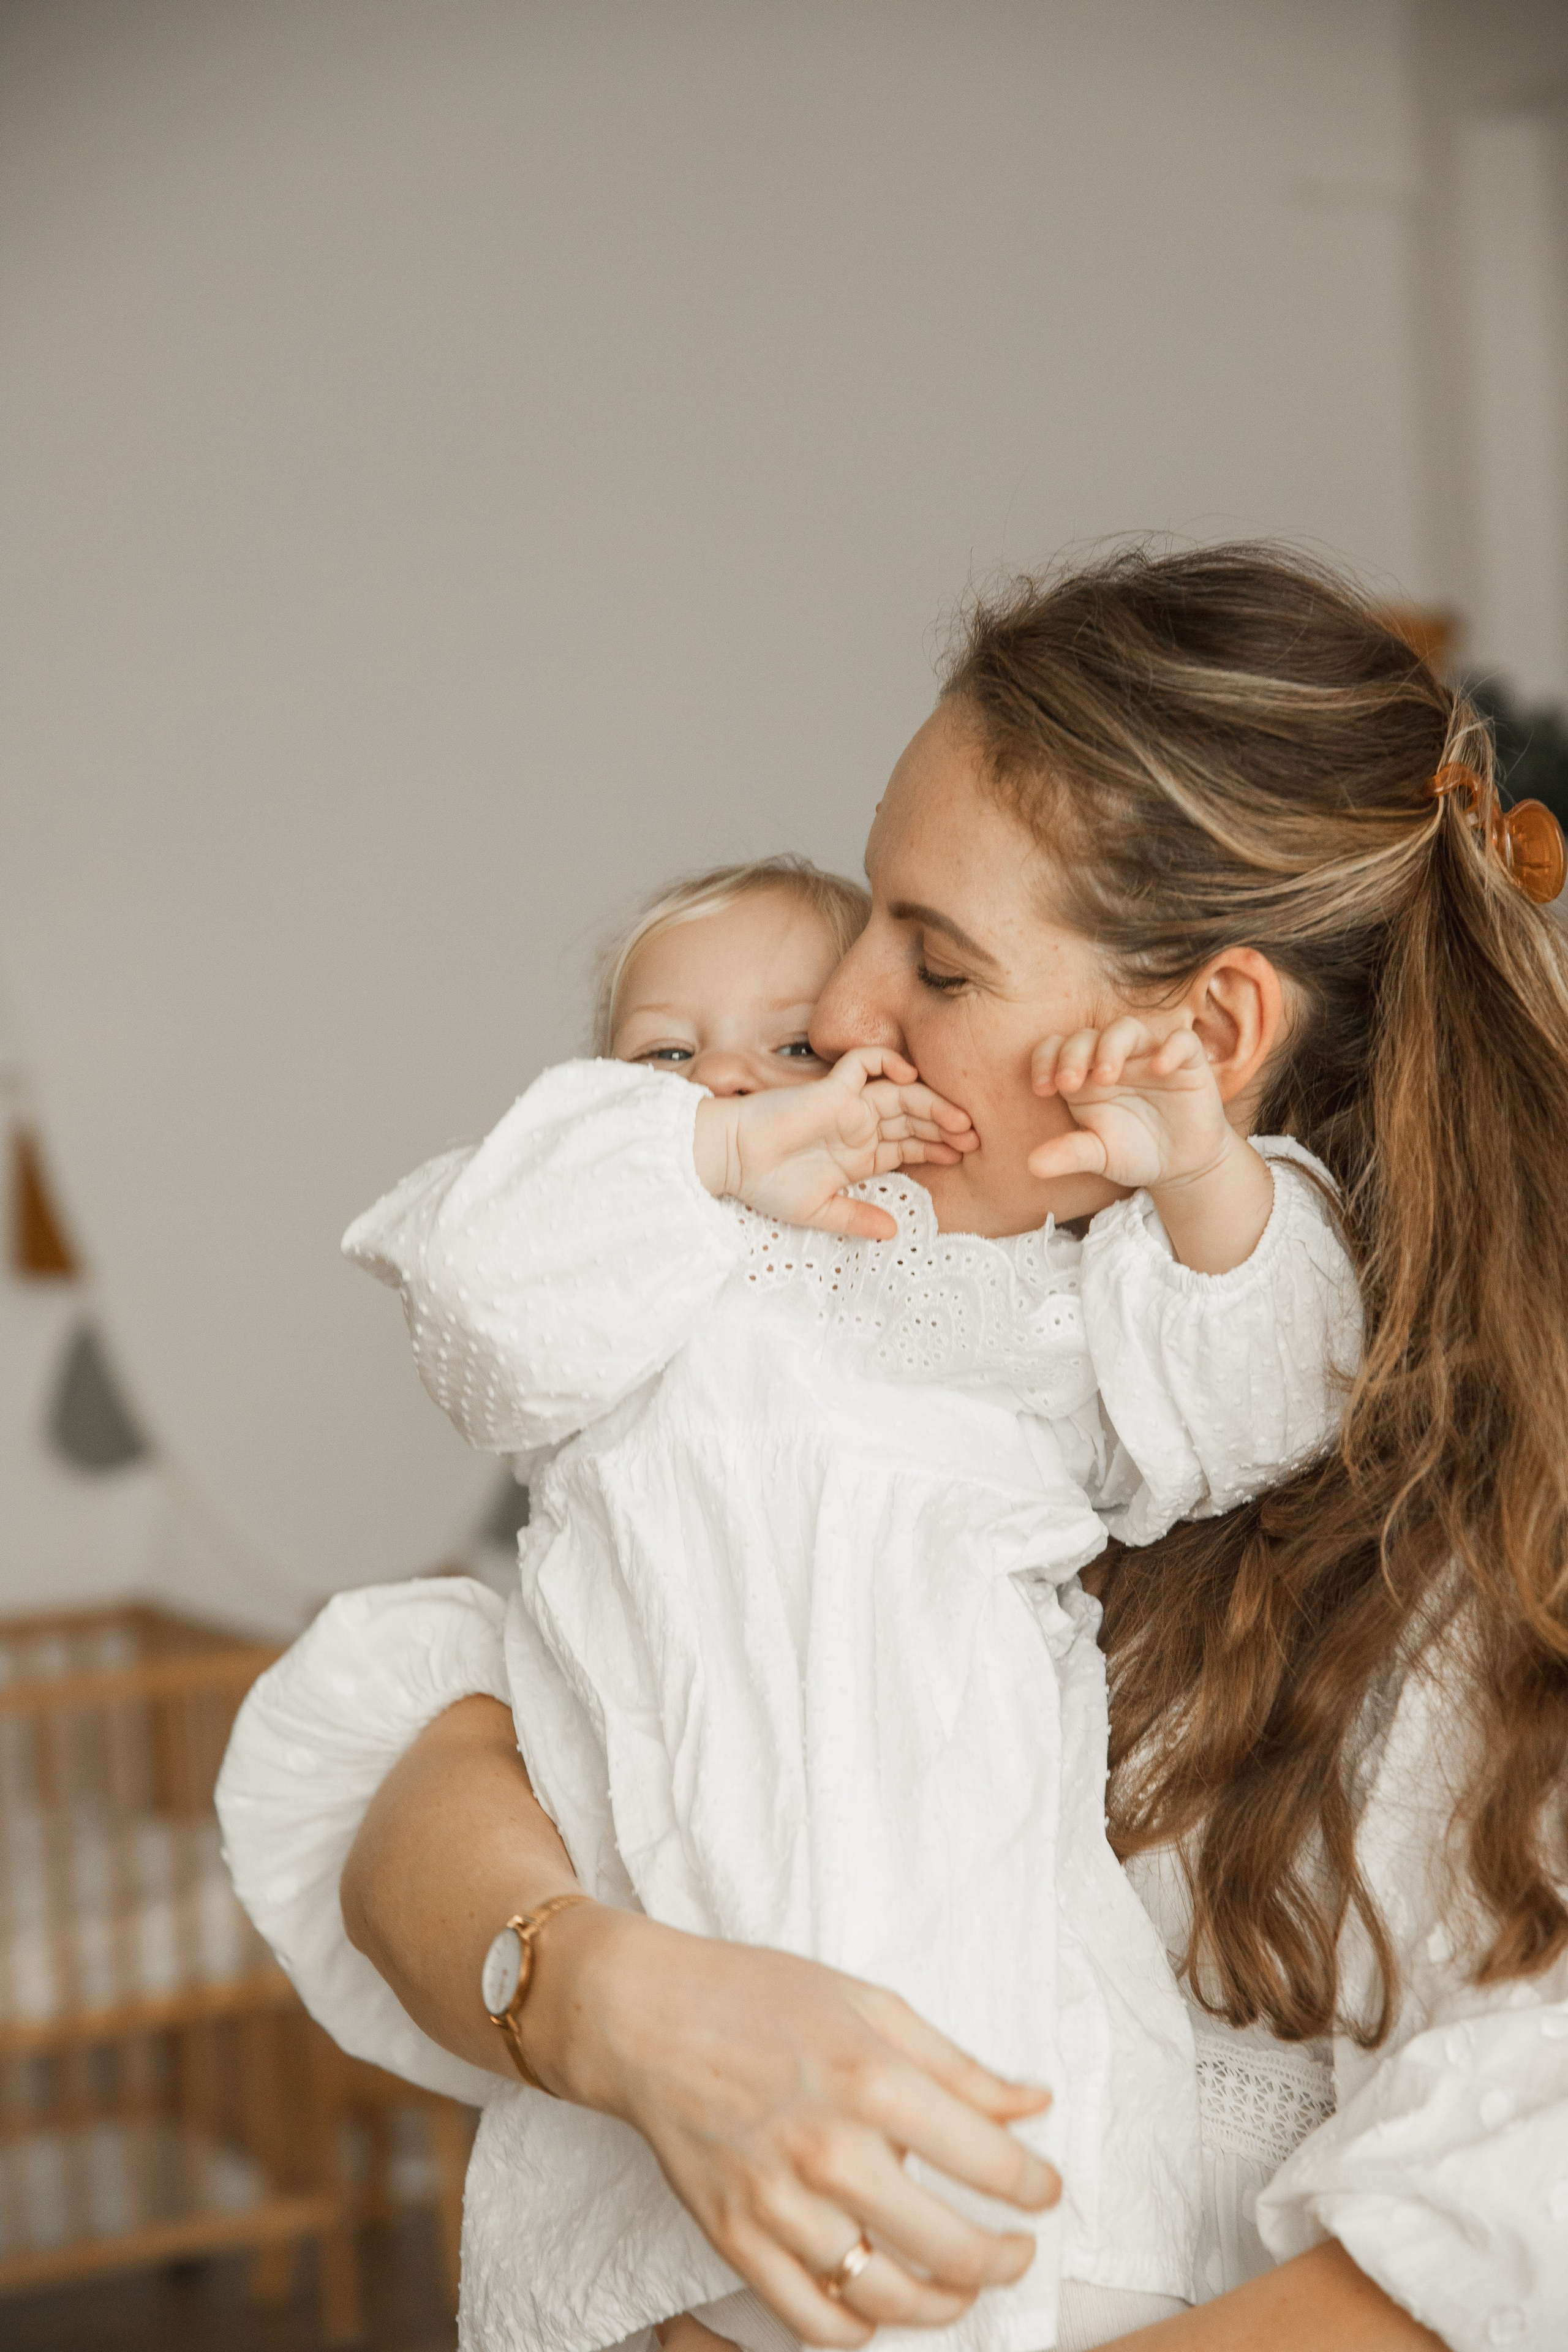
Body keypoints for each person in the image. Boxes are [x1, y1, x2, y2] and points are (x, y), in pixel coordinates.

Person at [218, 545, 1568, 2352]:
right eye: (868, 917)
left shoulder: (1420, 1543)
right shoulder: (846, 1320)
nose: (838, 1021)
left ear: (1210, 1034)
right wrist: (616, 1998)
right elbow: (433, 1755)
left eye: (933, 962)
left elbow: (1501, 2214)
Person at [321, 845, 1355, 2352]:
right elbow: (471, 1294)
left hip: (976, 1917)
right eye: (662, 1056)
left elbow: (1259, 1408)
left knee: (1029, 2225)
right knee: (693, 2262)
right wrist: (712, 1166)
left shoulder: (995, 1277)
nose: (730, 1080)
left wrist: (1196, 1179)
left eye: (798, 1048)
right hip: (689, 1921)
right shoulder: (624, 1286)